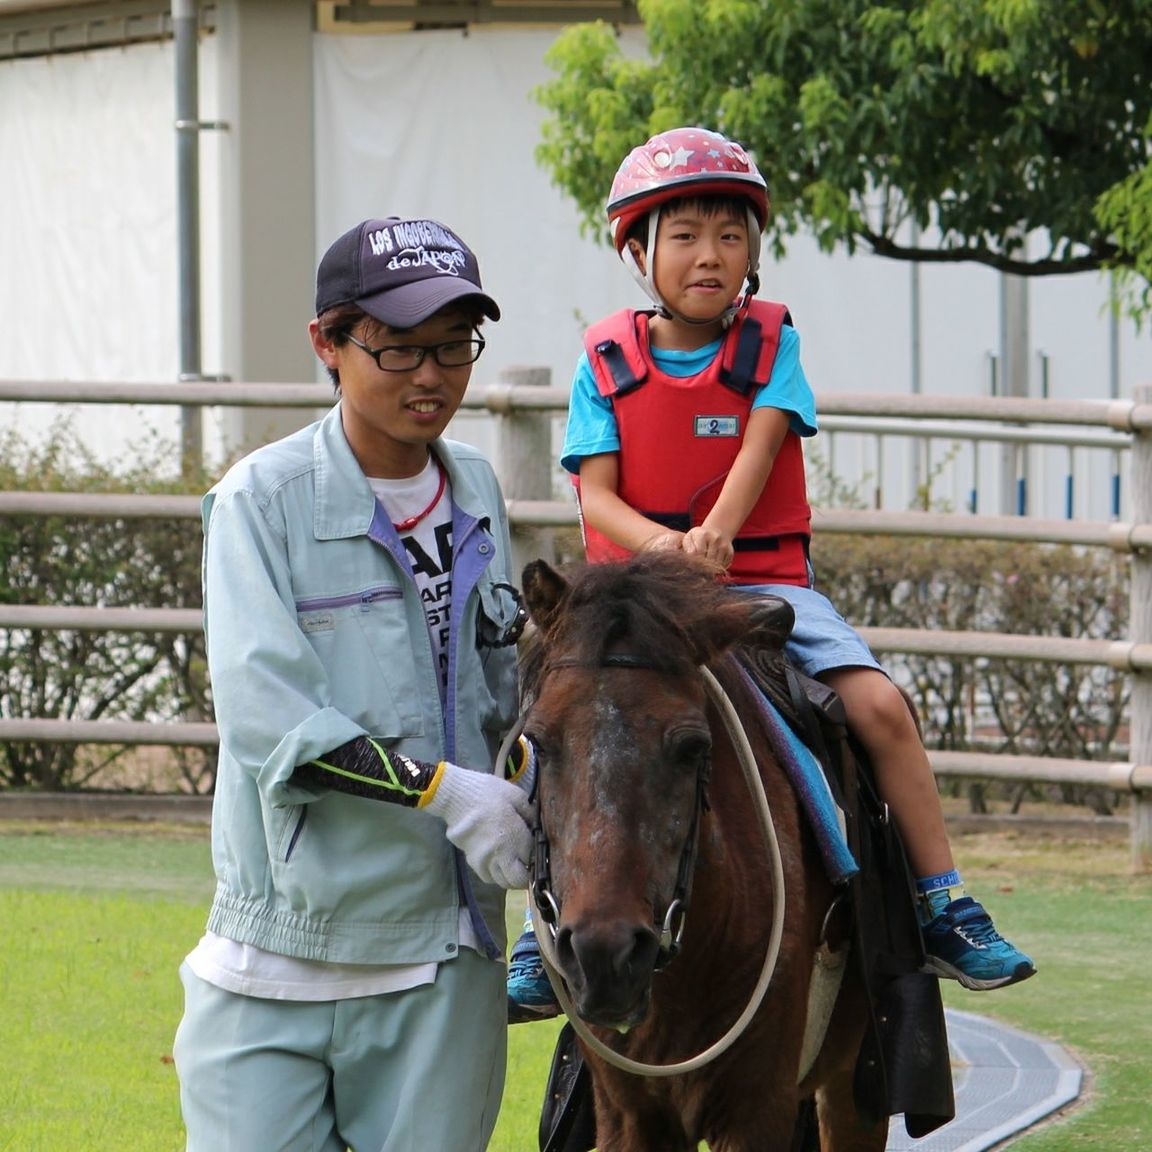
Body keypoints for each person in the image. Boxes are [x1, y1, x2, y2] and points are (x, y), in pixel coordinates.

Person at [507, 127, 1035, 1015]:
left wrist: (713, 534)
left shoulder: (770, 342)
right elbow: (593, 497)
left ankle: (943, 901)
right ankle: (540, 926)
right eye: (684, 236)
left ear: (752, 251)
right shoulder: (601, 360)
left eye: (729, 235)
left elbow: (760, 446)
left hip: (759, 582)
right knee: (551, 729)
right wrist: (663, 546)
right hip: (632, 601)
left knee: (876, 706)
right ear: (638, 251)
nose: (709, 256)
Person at [174, 215, 538, 1152]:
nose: (432, 375)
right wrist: (446, 791)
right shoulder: (260, 502)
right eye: (400, 348)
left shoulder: (479, 495)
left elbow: (505, 685)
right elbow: (272, 720)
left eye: (454, 347)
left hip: (445, 962)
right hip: (273, 960)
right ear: (327, 345)